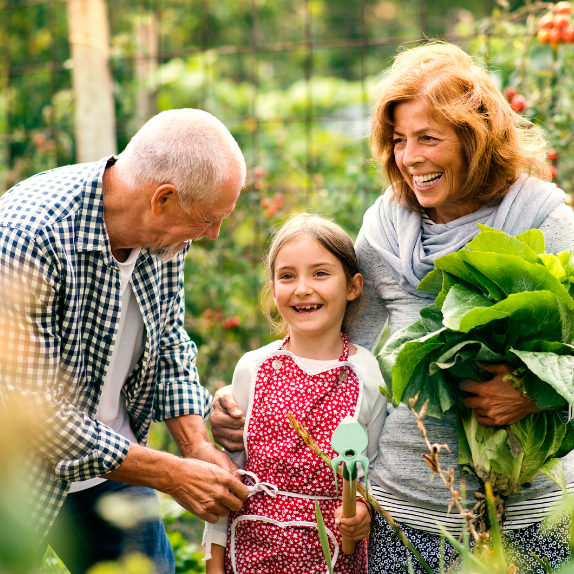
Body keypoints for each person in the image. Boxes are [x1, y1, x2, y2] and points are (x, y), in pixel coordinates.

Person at [209, 44, 574, 573]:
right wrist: (248, 402)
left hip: (526, 514)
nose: (410, 158)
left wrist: (535, 392)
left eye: (429, 138)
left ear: (476, 140)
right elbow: (337, 351)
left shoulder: (544, 222)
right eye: (400, 140)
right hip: (403, 511)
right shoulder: (385, 228)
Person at [0, 109, 250, 574]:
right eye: (209, 218)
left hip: (112, 467)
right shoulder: (30, 235)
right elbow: (37, 413)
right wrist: (172, 474)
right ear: (164, 198)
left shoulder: (166, 236)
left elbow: (169, 340)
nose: (212, 233)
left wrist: (194, 444)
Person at [203, 213, 387, 574]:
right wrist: (213, 563)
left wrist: (363, 510)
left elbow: (374, 472)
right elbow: (229, 474)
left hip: (333, 556)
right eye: (287, 276)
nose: (302, 288)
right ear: (273, 289)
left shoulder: (367, 374)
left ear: (353, 286)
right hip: (250, 553)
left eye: (320, 273)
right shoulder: (253, 368)